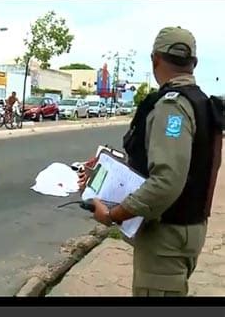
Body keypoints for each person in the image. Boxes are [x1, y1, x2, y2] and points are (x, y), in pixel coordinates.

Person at [78, 27, 222, 297]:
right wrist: (106, 171)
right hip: (187, 228)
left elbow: (166, 182)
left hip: (167, 236)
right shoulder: (202, 102)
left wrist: (112, 215)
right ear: (194, 64)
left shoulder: (172, 107)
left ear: (155, 59)